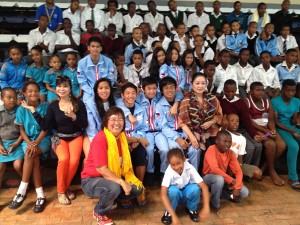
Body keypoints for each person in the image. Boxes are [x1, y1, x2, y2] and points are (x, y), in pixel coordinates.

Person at [81, 106, 145, 224]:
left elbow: (129, 139)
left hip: (111, 177)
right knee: (113, 187)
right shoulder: (101, 137)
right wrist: (122, 182)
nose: (117, 123)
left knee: (137, 189)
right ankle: (99, 211)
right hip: (91, 180)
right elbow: (101, 169)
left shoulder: (121, 137)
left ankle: (110, 200)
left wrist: (139, 139)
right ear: (106, 121)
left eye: (120, 119)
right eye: (113, 119)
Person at [42, 75, 87, 204]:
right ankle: (61, 192)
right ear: (56, 89)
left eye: (65, 86)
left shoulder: (78, 103)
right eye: (59, 86)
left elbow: (84, 124)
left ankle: (65, 188)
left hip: (76, 136)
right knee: (64, 159)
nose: (62, 89)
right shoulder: (53, 106)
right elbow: (46, 126)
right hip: (59, 138)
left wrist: (74, 116)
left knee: (74, 161)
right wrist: (35, 112)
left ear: (70, 88)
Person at [9, 81, 50, 213]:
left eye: (36, 91)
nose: (33, 93)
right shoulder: (21, 108)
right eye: (30, 91)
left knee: (30, 153)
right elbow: (21, 130)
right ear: (24, 93)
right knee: (32, 155)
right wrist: (29, 143)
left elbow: (46, 129)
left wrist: (35, 143)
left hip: (42, 139)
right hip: (28, 141)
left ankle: (21, 191)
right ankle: (40, 195)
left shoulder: (45, 106)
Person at [156, 77, 200, 172]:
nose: (169, 90)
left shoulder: (181, 100)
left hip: (185, 132)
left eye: (172, 87)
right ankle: (174, 176)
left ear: (176, 88)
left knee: (195, 149)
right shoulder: (159, 105)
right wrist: (178, 139)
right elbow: (164, 127)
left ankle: (194, 175)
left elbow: (188, 119)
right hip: (170, 134)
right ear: (162, 91)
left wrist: (188, 135)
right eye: (166, 88)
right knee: (176, 150)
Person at [246, 82, 286, 185]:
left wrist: (272, 129)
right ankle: (272, 171)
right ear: (250, 91)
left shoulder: (267, 102)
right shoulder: (247, 102)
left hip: (267, 127)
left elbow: (271, 120)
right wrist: (265, 131)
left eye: (262, 90)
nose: (260, 92)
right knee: (270, 144)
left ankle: (264, 168)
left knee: (282, 145)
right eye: (257, 90)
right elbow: (249, 121)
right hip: (256, 128)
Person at [203, 130, 249, 213]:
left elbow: (238, 171)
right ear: (217, 141)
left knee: (244, 192)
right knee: (219, 179)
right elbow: (214, 169)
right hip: (208, 178)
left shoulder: (230, 153)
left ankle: (224, 193)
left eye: (229, 142)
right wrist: (231, 180)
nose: (227, 144)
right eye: (225, 141)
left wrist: (237, 187)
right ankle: (214, 204)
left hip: (223, 178)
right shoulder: (211, 149)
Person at [219, 79, 262, 167]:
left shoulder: (241, 102)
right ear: (224, 90)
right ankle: (242, 169)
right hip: (228, 130)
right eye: (227, 91)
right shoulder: (220, 101)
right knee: (250, 147)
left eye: (232, 91)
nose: (230, 94)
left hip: (241, 128)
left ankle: (253, 168)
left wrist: (254, 134)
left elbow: (246, 120)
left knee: (259, 145)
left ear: (236, 90)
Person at [161, 148, 210, 225]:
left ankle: (191, 209)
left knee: (195, 189)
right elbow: (163, 194)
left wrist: (206, 207)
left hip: (185, 191)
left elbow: (204, 187)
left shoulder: (190, 167)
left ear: (184, 159)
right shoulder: (169, 171)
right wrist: (174, 216)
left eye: (179, 163)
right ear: (169, 163)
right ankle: (169, 212)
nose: (176, 167)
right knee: (173, 191)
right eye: (173, 165)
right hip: (175, 195)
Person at [179, 72, 222, 151]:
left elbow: (219, 115)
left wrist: (211, 122)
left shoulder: (212, 98)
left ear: (206, 85)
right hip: (193, 132)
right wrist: (192, 136)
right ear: (192, 84)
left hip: (211, 132)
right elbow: (181, 122)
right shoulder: (186, 100)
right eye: (197, 83)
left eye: (203, 83)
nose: (200, 86)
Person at [271, 79, 300, 190]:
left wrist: (296, 124)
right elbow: (276, 122)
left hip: (292, 127)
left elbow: (294, 120)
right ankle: (293, 177)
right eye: (288, 90)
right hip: (281, 128)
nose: (291, 93)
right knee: (294, 146)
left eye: (293, 91)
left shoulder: (296, 101)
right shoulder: (275, 101)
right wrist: (291, 131)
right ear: (283, 89)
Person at [84, 78, 116, 165]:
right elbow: (91, 128)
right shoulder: (90, 103)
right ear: (96, 90)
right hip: (95, 136)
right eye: (101, 88)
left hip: (112, 135)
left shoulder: (114, 102)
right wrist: (100, 141)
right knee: (91, 158)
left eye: (107, 88)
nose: (104, 91)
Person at [222, 114, 262, 180]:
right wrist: (224, 125)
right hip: (223, 163)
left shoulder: (242, 138)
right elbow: (221, 134)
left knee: (258, 173)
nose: (235, 123)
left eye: (237, 121)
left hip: (235, 164)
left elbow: (240, 157)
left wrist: (238, 169)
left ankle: (236, 180)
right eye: (232, 121)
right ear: (227, 122)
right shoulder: (224, 132)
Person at [77, 37, 114, 103]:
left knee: (109, 105)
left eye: (97, 46)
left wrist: (104, 90)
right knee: (90, 104)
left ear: (101, 48)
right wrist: (92, 92)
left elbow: (111, 79)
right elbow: (82, 82)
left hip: (105, 90)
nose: (95, 49)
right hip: (89, 92)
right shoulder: (82, 63)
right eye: (93, 46)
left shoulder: (108, 61)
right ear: (88, 48)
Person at [0, 88, 24, 190]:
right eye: (9, 97)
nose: (12, 100)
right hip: (2, 143)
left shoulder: (21, 110)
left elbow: (24, 131)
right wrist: (0, 145)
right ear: (2, 98)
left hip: (17, 142)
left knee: (17, 165)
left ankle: (26, 182)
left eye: (14, 97)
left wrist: (16, 144)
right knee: (0, 167)